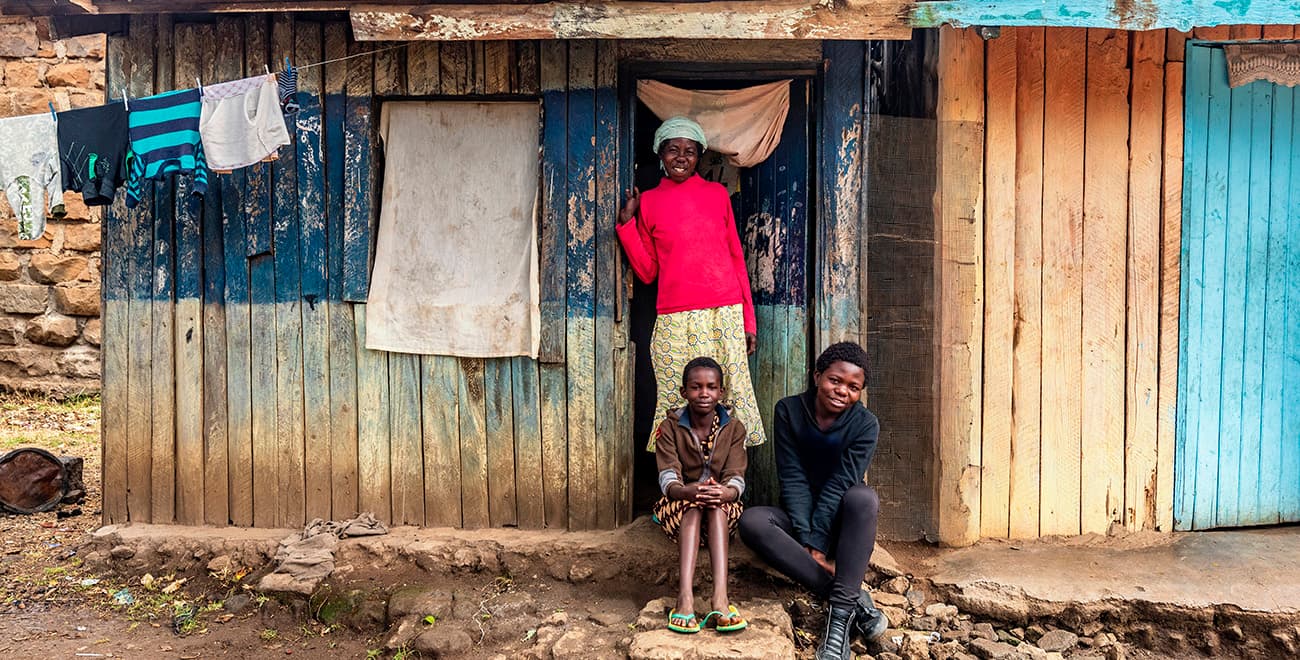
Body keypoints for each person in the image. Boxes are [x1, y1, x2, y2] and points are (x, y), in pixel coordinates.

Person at [617, 116, 766, 451]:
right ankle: (679, 486)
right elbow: (646, 272)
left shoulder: (717, 194)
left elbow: (736, 260)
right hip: (674, 318)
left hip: (723, 313)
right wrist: (627, 225)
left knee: (727, 397)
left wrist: (748, 320)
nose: (681, 157)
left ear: (700, 156)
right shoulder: (650, 202)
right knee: (676, 397)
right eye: (673, 150)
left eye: (690, 151)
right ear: (660, 154)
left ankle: (725, 487)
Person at [737, 342, 888, 659]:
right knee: (752, 521)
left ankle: (836, 630)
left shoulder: (865, 425)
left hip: (842, 526)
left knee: (863, 498)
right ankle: (852, 600)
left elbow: (840, 483)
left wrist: (818, 544)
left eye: (853, 387)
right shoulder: (788, 411)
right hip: (798, 518)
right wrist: (807, 539)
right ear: (818, 375)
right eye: (835, 380)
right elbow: (792, 477)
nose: (842, 391)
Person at [653, 357, 749, 634]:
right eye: (696, 387)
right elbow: (668, 476)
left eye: (711, 387)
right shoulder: (670, 426)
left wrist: (725, 492)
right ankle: (684, 598)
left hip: (722, 509)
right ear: (684, 392)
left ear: (721, 392)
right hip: (678, 506)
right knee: (693, 506)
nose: (704, 393)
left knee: (717, 506)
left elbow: (736, 475)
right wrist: (688, 491)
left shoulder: (734, 428)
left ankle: (720, 597)